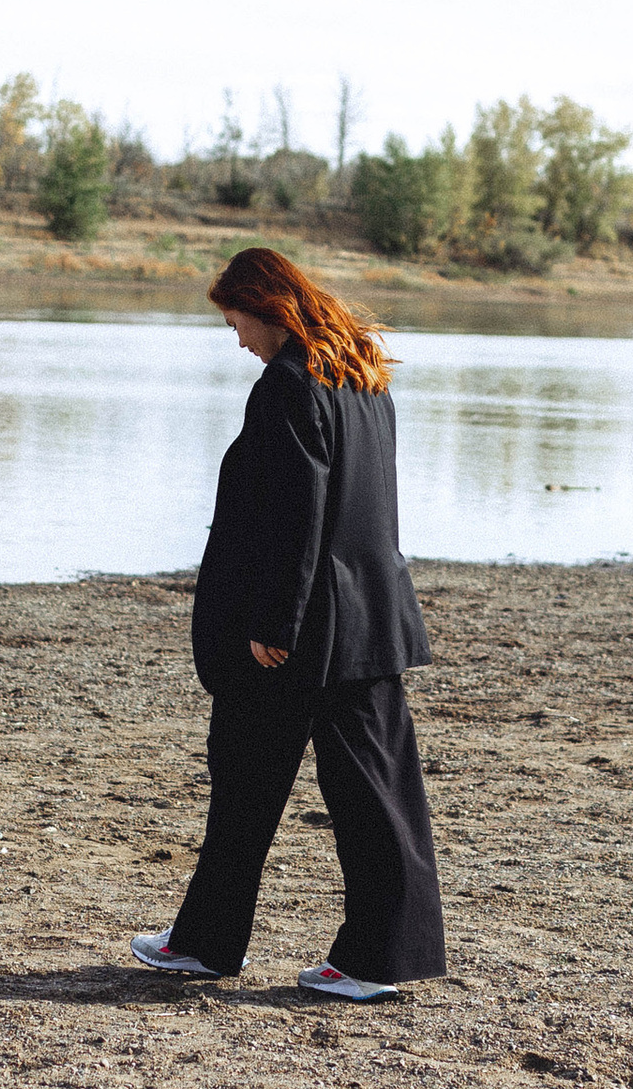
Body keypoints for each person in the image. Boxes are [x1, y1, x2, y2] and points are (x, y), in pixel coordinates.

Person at [132, 246, 446, 1000]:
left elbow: (296, 516)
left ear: (265, 307)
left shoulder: (289, 385)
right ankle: (333, 954)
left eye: (235, 320)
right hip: (369, 618)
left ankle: (223, 947)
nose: (236, 337)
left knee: (248, 782)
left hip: (298, 633)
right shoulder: (361, 373)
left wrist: (275, 621)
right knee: (375, 790)